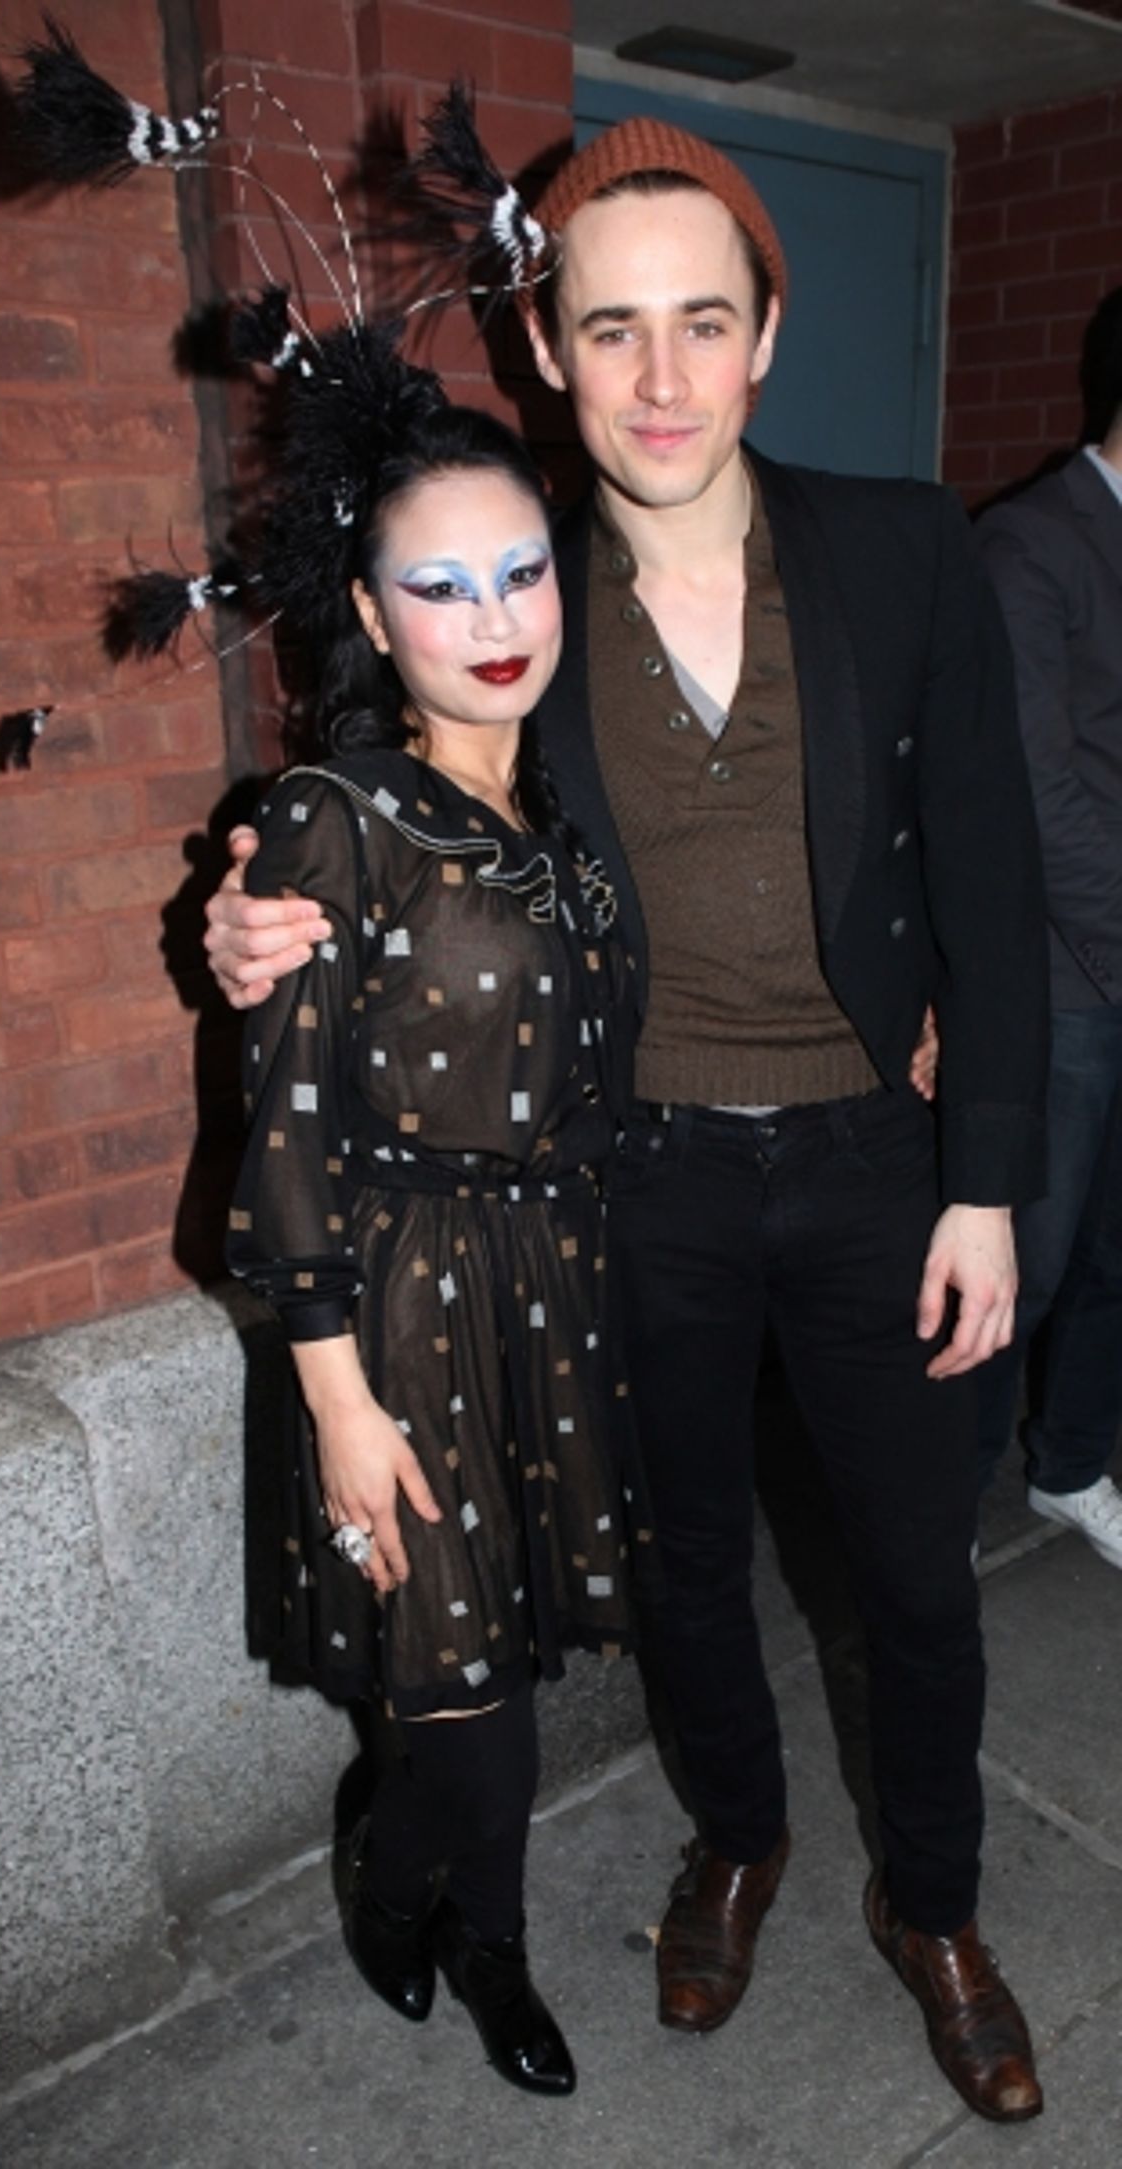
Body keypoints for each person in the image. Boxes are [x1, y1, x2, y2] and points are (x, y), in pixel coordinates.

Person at [202, 111, 1050, 2123]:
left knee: (918, 1579)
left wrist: (990, 1182)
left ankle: (934, 1902)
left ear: (768, 334)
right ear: (548, 348)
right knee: (683, 1570)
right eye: (609, 330)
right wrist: (248, 916)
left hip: (872, 1156)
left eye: (700, 322)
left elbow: (999, 882)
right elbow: (382, 808)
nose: (657, 378)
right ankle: (739, 1836)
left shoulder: (904, 544)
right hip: (627, 1178)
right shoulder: (509, 578)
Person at [227, 349, 648, 2099]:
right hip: (391, 1313)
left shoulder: (562, 802)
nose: (495, 615)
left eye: (523, 568)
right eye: (441, 584)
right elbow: (285, 1132)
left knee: (494, 1679)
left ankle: (472, 1921)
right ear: (369, 611)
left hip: (551, 1290)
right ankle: (419, 1897)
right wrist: (337, 1404)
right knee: (461, 1703)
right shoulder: (332, 819)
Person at [974, 287, 1122, 1568]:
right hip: (1070, 980)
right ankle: (939, 1517)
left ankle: (1069, 1466)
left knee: (1120, 1258)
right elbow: (1038, 794)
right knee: (1014, 1275)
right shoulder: (1030, 543)